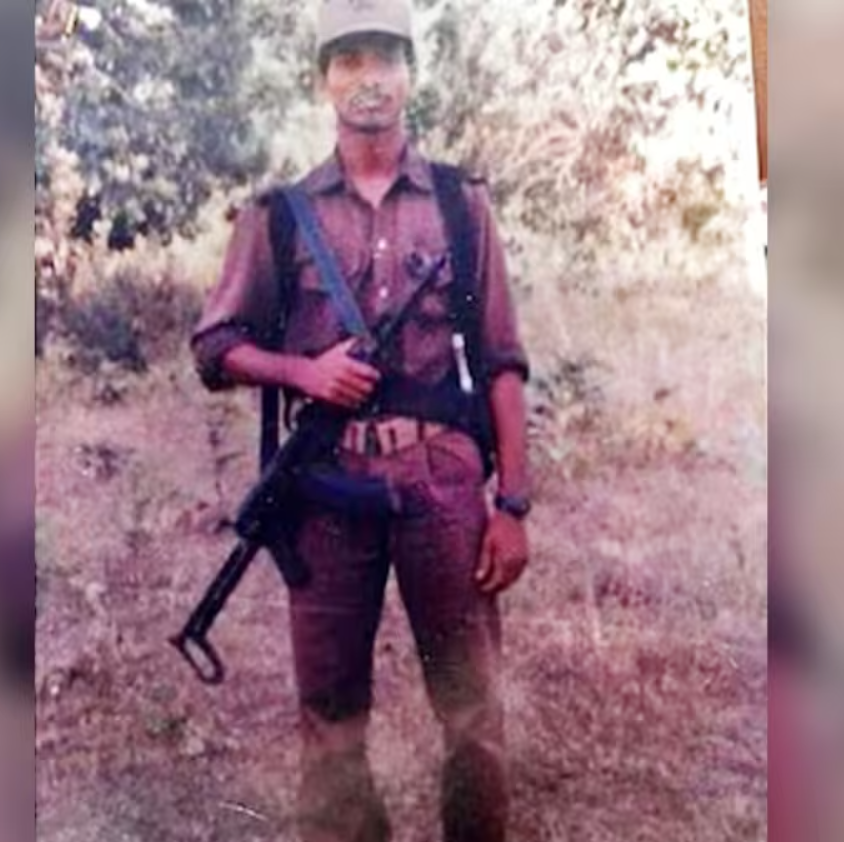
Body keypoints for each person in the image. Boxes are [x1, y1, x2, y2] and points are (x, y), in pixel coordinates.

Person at [190, 2, 530, 839]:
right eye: (347, 60)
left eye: (383, 57)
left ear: (410, 74)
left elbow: (501, 359)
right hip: (327, 491)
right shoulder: (278, 215)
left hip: (442, 485)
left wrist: (512, 505)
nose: (367, 78)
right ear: (322, 81)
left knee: (473, 713)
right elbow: (214, 347)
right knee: (331, 723)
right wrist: (302, 372)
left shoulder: (458, 203)